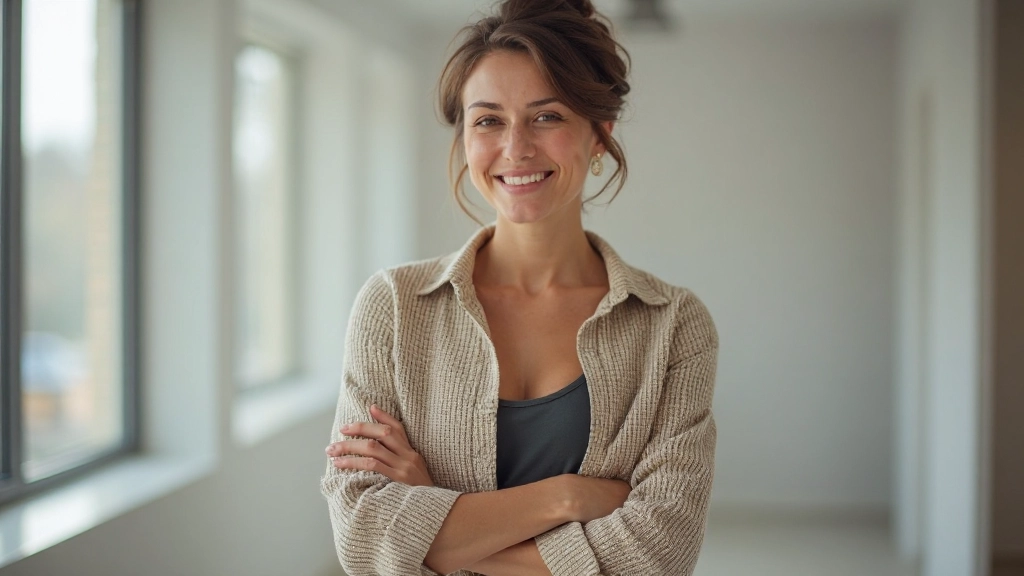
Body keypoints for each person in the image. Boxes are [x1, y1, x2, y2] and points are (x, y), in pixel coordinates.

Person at [320, 0, 719, 574]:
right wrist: (570, 497)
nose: (517, 148)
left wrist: (437, 521)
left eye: (548, 116)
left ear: (600, 135)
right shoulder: (394, 307)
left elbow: (658, 554)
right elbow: (364, 538)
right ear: (464, 139)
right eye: (488, 120)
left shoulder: (673, 324)